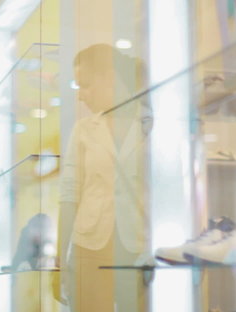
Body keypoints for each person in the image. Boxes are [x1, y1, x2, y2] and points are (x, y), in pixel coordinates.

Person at [57, 44, 151, 311]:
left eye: (85, 85)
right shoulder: (84, 129)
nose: (81, 96)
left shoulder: (149, 124)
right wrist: (60, 259)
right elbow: (69, 194)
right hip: (90, 245)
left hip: (139, 245)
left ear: (109, 77)